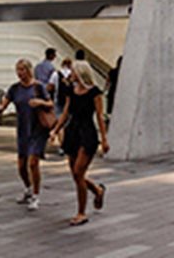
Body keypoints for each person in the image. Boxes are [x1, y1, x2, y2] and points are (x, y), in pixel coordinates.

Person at [0, 59, 53, 211]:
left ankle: (36, 196)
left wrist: (40, 102)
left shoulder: (38, 87)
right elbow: (5, 103)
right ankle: (28, 188)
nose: (19, 73)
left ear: (29, 70)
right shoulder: (14, 88)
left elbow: (50, 104)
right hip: (23, 130)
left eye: (22, 70)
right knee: (21, 166)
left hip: (38, 129)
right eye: (17, 70)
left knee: (33, 163)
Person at [53, 64, 108, 226]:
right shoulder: (71, 91)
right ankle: (97, 190)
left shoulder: (94, 93)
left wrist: (104, 139)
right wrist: (56, 130)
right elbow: (65, 113)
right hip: (72, 133)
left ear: (81, 73)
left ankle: (81, 213)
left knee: (78, 171)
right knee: (77, 175)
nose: (71, 73)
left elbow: (99, 117)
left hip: (87, 133)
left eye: (74, 71)